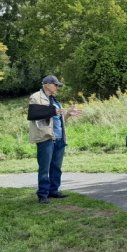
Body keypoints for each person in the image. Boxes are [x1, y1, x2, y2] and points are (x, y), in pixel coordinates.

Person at [27, 75, 81, 204]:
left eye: (57, 85)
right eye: (55, 85)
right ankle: (43, 194)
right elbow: (34, 114)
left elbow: (57, 119)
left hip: (59, 137)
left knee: (56, 166)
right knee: (45, 167)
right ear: (46, 84)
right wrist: (55, 111)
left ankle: (53, 190)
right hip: (46, 137)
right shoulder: (36, 97)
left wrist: (67, 114)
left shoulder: (55, 100)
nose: (57, 87)